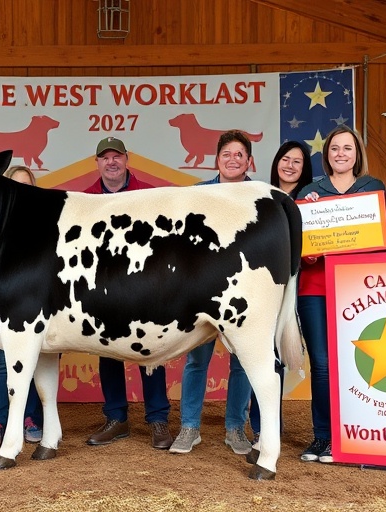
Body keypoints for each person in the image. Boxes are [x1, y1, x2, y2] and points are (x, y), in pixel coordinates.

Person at [169, 130, 264, 456]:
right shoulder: (197, 195)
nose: (233, 159)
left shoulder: (259, 196)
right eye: (228, 154)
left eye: (240, 155)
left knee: (242, 362)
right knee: (196, 360)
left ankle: (235, 428)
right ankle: (189, 427)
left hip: (245, 292)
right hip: (203, 292)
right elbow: (183, 245)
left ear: (249, 161)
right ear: (217, 160)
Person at [296, 125, 385, 464]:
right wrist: (312, 250)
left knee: (353, 363)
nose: (341, 154)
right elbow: (302, 248)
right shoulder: (310, 191)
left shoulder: (372, 188)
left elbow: (379, 244)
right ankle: (322, 436)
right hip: (315, 288)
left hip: (357, 289)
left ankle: (351, 434)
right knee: (321, 363)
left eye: (348, 148)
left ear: (357, 153)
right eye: (335, 149)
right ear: (327, 154)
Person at [84, 136, 173, 449]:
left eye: (116, 157)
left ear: (126, 159)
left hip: (146, 287)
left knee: (151, 350)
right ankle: (116, 418)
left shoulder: (150, 194)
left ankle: (158, 419)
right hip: (104, 290)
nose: (111, 162)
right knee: (108, 351)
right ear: (97, 163)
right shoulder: (85, 199)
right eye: (105, 157)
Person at [0, 165, 44, 447]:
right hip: (4, 306)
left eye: (26, 186)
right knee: (1, 363)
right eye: (15, 185)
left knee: (33, 363)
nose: (21, 191)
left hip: (37, 307)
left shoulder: (46, 223)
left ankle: (31, 419)